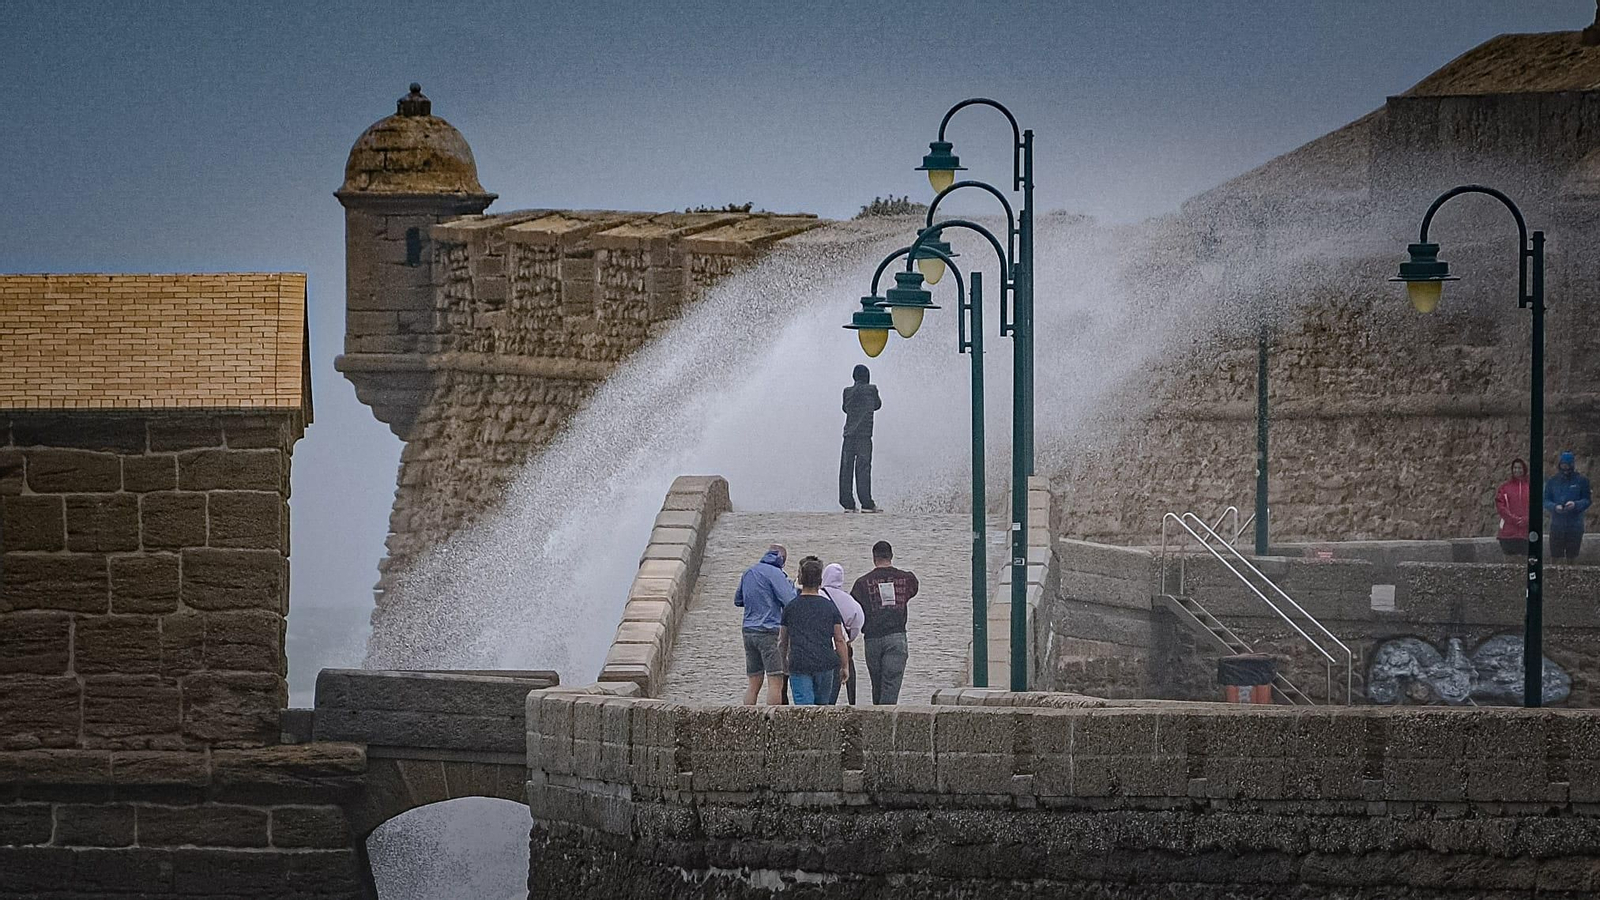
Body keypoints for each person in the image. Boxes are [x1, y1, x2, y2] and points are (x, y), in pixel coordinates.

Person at [849, 540, 919, 705]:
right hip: (896, 637)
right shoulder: (906, 579)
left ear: (874, 558)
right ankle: (886, 723)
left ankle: (878, 721)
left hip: (872, 639)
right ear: (891, 556)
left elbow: (853, 609)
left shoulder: (861, 584)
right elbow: (914, 588)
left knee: (877, 686)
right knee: (891, 685)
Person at [778, 556, 850, 706]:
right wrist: (845, 666)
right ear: (820, 581)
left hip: (799, 663)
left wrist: (784, 663)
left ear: (801, 579)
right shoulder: (830, 607)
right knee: (823, 709)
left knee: (804, 709)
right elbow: (839, 639)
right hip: (825, 663)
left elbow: (783, 640)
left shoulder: (791, 607)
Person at [734, 543, 795, 704]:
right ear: (782, 559)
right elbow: (790, 601)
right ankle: (771, 723)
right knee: (776, 681)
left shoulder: (749, 572)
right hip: (769, 631)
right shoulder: (776, 574)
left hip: (748, 631)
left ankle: (747, 718)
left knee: (754, 683)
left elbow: (738, 600)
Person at [821, 562, 866, 705]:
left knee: (824, 692)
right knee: (841, 687)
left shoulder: (819, 595)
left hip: (822, 647)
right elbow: (858, 622)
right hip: (842, 649)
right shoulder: (850, 601)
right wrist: (849, 639)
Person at [840, 364, 882, 513]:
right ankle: (866, 503)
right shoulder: (871, 389)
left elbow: (845, 408)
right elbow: (878, 405)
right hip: (864, 435)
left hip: (849, 435)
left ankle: (848, 504)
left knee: (846, 469)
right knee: (863, 468)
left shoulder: (847, 392)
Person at [1545, 451, 1592, 564]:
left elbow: (1587, 500)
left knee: (1572, 558)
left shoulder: (1582, 481)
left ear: (1572, 465)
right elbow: (1545, 500)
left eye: (1568, 464)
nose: (1565, 468)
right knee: (1555, 558)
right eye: (1563, 464)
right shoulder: (1552, 481)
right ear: (1559, 465)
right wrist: (1555, 507)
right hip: (1557, 526)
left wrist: (1575, 505)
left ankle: (1571, 579)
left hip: (1574, 526)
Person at [1495, 458, 1531, 558]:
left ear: (1524, 469)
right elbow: (1501, 507)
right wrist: (1514, 519)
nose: (1517, 470)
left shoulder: (1530, 487)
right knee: (1510, 564)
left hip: (1525, 533)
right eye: (1515, 468)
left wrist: (1526, 519)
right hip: (1508, 533)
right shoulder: (1504, 488)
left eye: (1519, 468)